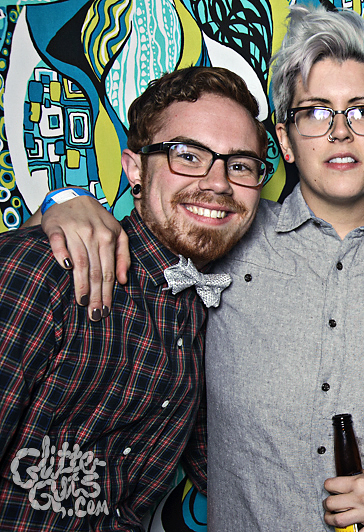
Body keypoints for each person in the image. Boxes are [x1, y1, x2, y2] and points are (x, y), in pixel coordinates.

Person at [36, 5, 364, 531]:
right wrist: (62, 202)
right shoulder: (224, 235)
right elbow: (153, 222)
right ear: (285, 140)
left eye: (363, 112)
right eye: (316, 113)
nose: (340, 132)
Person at [0, 66, 267, 530]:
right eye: (188, 155)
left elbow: (240, 475)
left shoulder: (207, 312)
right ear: (135, 169)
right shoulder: (50, 266)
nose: (219, 183)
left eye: (240, 165)